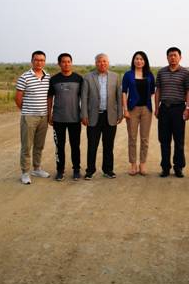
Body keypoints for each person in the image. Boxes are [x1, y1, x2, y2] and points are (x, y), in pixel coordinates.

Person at [81, 53, 123, 180]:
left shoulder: (115, 77)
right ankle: (90, 171)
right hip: (93, 116)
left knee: (108, 145)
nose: (102, 63)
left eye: (104, 61)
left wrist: (120, 113)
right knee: (92, 145)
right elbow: (84, 97)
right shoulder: (88, 77)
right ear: (96, 63)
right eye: (99, 61)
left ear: (108, 63)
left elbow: (119, 96)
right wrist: (84, 114)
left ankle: (108, 170)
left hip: (110, 116)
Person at [155, 47, 189, 178]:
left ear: (180, 57)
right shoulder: (161, 72)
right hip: (164, 109)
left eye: (175, 55)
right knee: (164, 140)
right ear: (167, 57)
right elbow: (158, 90)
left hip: (179, 109)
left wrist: (187, 108)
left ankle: (178, 167)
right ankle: (165, 167)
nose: (172, 58)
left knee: (179, 140)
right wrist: (157, 107)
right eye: (170, 55)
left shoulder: (185, 73)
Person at [15, 50, 51, 185]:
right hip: (29, 116)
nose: (39, 62)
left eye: (42, 60)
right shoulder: (25, 77)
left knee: (39, 145)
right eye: (36, 60)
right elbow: (18, 98)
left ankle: (37, 169)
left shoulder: (48, 77)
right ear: (32, 61)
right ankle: (25, 172)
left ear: (45, 62)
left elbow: (48, 97)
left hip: (44, 117)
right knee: (26, 146)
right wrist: (26, 111)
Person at [47, 53, 83, 181]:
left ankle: (76, 170)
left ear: (71, 63)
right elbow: (50, 98)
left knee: (75, 146)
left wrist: (83, 114)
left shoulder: (79, 79)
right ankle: (60, 170)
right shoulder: (54, 79)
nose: (66, 64)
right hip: (58, 119)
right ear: (59, 64)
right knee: (59, 146)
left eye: (68, 61)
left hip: (75, 119)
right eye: (63, 62)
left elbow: (83, 98)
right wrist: (49, 114)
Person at [122, 51, 156, 176]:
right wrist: (125, 109)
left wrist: (146, 101)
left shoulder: (149, 75)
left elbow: (152, 91)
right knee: (132, 138)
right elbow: (124, 92)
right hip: (132, 109)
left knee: (144, 138)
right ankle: (133, 164)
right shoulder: (128, 75)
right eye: (137, 58)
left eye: (141, 59)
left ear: (145, 61)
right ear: (133, 60)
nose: (139, 61)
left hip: (146, 109)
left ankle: (142, 164)